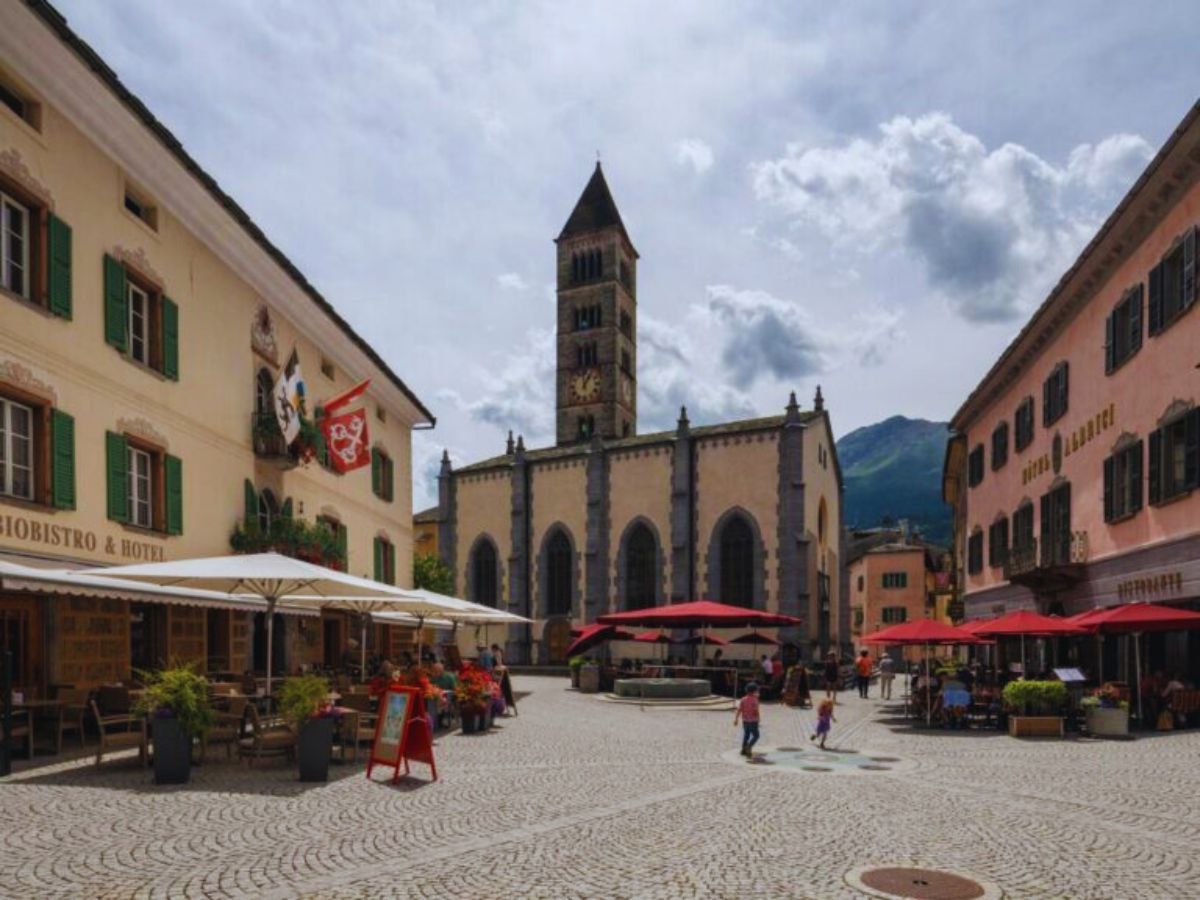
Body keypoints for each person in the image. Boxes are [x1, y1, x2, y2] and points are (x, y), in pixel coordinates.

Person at [733, 682, 761, 758]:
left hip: (745, 720)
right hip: (753, 721)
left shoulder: (743, 699)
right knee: (756, 736)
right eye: (756, 690)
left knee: (746, 735)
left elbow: (739, 710)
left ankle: (743, 750)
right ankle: (749, 746)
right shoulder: (755, 700)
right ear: (754, 691)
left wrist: (736, 719)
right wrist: (758, 719)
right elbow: (756, 711)